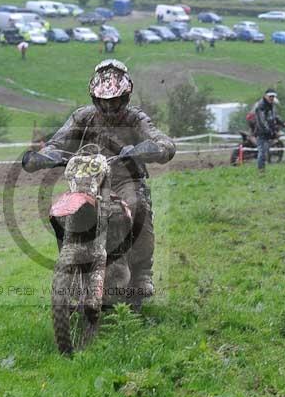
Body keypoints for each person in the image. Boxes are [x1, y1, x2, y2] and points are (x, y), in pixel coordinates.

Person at [22, 59, 176, 297]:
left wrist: (148, 149)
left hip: (125, 180)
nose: (109, 107)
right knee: (63, 212)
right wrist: (44, 156)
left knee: (138, 206)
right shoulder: (82, 117)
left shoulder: (136, 119)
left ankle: (143, 271)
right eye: (104, 102)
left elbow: (163, 142)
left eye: (115, 101)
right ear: (94, 98)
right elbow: (57, 142)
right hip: (87, 181)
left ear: (125, 96)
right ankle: (70, 263)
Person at [254, 89, 281, 171]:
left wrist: (282, 123)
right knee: (262, 152)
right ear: (265, 96)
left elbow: (274, 117)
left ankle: (262, 169)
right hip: (262, 132)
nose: (272, 98)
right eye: (270, 96)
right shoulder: (261, 106)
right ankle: (260, 170)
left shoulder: (271, 105)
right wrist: (270, 131)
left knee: (265, 151)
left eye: (273, 96)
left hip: (268, 131)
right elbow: (262, 121)